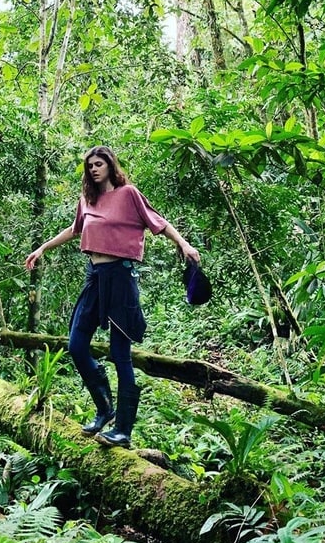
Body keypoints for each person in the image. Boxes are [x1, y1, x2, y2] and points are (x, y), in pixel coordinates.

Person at [25, 145, 200, 448]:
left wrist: (184, 245)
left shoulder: (128, 194)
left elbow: (160, 223)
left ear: (109, 166)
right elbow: (74, 229)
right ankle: (104, 407)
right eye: (89, 165)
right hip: (94, 277)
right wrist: (42, 248)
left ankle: (123, 431)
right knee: (77, 345)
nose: (93, 169)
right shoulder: (87, 199)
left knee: (121, 355)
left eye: (99, 164)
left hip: (121, 276)